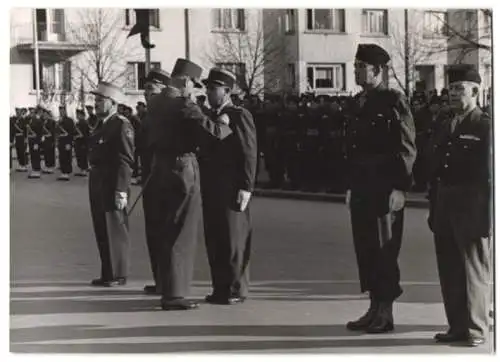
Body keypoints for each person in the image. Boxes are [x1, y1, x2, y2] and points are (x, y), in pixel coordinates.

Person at [146, 58, 233, 310]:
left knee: (164, 228)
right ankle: (174, 294)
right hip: (182, 168)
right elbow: (213, 134)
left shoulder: (156, 102)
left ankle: (165, 284)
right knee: (181, 230)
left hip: (159, 166)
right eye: (193, 85)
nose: (194, 90)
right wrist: (225, 125)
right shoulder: (183, 104)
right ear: (184, 82)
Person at [344, 43, 416, 333]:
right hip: (362, 187)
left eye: (362, 67)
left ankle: (386, 311)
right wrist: (350, 186)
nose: (356, 71)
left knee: (385, 250)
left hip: (385, 188)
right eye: (355, 66)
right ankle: (373, 307)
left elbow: (406, 147)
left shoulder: (393, 101)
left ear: (379, 70)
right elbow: (351, 149)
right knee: (366, 248)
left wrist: (400, 187)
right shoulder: (358, 102)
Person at [426, 65, 492, 347]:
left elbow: (491, 177)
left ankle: (477, 328)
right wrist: (434, 206)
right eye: (451, 89)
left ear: (476, 92)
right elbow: (435, 168)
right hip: (445, 203)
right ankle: (456, 325)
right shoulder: (446, 124)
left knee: (473, 269)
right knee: (449, 268)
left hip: (472, 205)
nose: (453, 94)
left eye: (459, 89)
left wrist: (488, 217)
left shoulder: (485, 126)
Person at [200, 68, 258, 305]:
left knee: (233, 239)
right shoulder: (212, 116)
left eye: (213, 89)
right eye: (208, 88)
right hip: (212, 185)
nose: (209, 93)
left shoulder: (238, 115)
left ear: (227, 91)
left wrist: (246, 186)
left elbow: (248, 151)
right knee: (216, 237)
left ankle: (235, 287)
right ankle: (220, 286)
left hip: (232, 185)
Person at [88, 82, 135, 287]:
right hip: (98, 182)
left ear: (113, 102)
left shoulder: (121, 124)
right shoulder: (102, 124)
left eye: (100, 100)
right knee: (101, 228)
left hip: (113, 183)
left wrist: (121, 189)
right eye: (96, 100)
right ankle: (107, 272)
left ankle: (118, 273)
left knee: (115, 229)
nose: (96, 104)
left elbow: (125, 159)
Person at [140, 68, 170, 295]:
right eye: (145, 90)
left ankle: (169, 282)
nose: (146, 94)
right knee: (153, 232)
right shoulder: (148, 116)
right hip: (149, 180)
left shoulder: (167, 115)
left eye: (151, 89)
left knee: (166, 232)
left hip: (165, 180)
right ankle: (159, 278)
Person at [56, 105, 77, 181]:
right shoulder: (59, 121)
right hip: (61, 141)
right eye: (60, 111)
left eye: (62, 111)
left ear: (65, 111)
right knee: (62, 156)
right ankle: (63, 172)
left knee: (67, 157)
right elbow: (57, 131)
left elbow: (72, 132)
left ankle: (66, 172)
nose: (61, 112)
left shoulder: (69, 120)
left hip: (67, 141)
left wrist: (69, 142)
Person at [27, 106, 45, 179]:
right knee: (33, 155)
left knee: (35, 155)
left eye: (32, 112)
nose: (31, 114)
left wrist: (29, 129)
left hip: (35, 141)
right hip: (32, 140)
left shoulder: (37, 121)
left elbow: (38, 132)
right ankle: (35, 169)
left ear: (35, 113)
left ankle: (36, 170)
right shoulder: (32, 120)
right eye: (30, 112)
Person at [74, 109, 90, 177]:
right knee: (79, 156)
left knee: (82, 156)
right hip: (79, 142)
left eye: (78, 114)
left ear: (82, 115)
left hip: (82, 142)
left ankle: (84, 170)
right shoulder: (79, 123)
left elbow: (83, 134)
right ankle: (82, 170)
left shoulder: (83, 123)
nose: (77, 116)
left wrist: (75, 136)